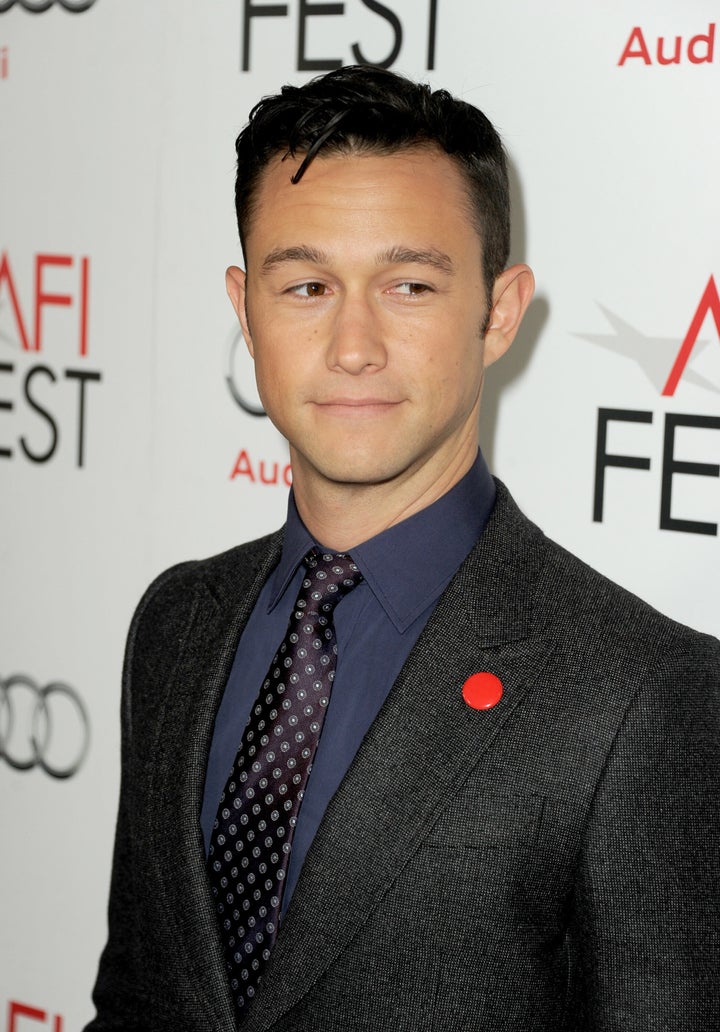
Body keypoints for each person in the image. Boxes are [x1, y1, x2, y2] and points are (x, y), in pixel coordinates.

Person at [85, 65, 720, 1032]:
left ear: (498, 312)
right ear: (245, 306)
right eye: (304, 285)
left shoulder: (639, 694)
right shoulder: (176, 622)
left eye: (410, 285)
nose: (353, 344)